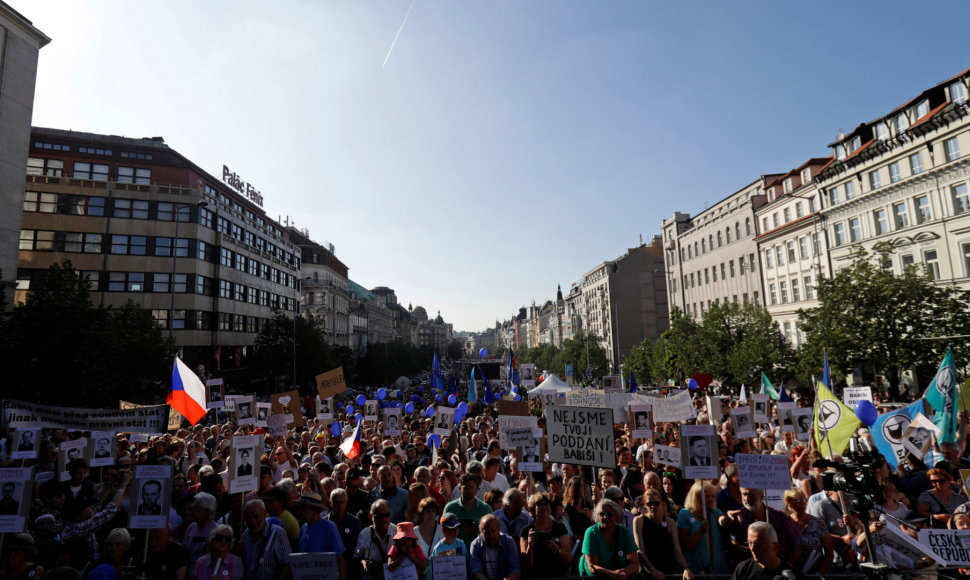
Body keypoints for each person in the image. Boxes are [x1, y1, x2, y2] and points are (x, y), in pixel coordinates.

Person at [633, 488, 692, 580]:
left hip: (669, 570)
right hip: (649, 572)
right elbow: (640, 551)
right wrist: (653, 571)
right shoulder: (639, 521)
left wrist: (686, 568)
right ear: (645, 505)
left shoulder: (670, 522)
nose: (653, 507)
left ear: (662, 504)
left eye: (656, 503)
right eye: (649, 504)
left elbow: (677, 551)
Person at [677, 480, 731, 576]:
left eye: (712, 496)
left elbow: (722, 521)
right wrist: (700, 531)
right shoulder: (684, 514)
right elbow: (685, 546)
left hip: (718, 572)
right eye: (707, 496)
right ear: (696, 496)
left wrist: (729, 517)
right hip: (696, 573)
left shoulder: (715, 512)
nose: (710, 499)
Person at [578, 499, 638, 578]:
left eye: (609, 514)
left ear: (616, 516)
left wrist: (624, 573)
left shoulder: (624, 532)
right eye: (602, 514)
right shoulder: (591, 533)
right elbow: (592, 566)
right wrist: (613, 575)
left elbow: (634, 564)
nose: (605, 517)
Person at [520, 492, 571, 580]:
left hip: (558, 576)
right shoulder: (526, 531)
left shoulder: (560, 528)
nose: (543, 507)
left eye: (546, 504)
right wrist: (530, 547)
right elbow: (527, 567)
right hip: (536, 577)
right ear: (533, 509)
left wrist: (556, 549)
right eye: (539, 504)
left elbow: (569, 559)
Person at [297, 491, 346, 578]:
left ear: (314, 509)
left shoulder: (329, 527)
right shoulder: (303, 528)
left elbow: (340, 559)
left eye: (303, 507)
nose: (300, 511)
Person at [784, 488, 833, 574]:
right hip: (791, 573)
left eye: (804, 499)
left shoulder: (818, 523)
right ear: (789, 502)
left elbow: (829, 553)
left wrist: (819, 573)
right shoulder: (785, 523)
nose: (802, 503)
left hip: (814, 574)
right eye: (797, 500)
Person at [240, 499, 290, 580]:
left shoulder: (277, 533)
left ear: (264, 514)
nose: (253, 521)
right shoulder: (244, 536)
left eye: (256, 516)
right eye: (249, 518)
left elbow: (287, 565)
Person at [731, 522, 797, 580]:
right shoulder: (743, 569)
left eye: (758, 545)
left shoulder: (791, 575)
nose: (752, 548)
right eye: (749, 543)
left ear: (776, 547)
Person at [444, 474, 493, 548]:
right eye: (466, 487)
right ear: (460, 488)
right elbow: (443, 531)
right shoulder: (450, 508)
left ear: (476, 488)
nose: (469, 490)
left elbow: (493, 533)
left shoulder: (485, 509)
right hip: (455, 553)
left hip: (479, 552)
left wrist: (476, 532)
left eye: (472, 487)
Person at [469, 514, 521, 580]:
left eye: (493, 531)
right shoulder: (476, 545)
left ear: (499, 529)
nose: (491, 536)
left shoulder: (508, 542)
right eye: (487, 533)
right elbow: (475, 571)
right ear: (481, 532)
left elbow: (515, 569)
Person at [355, 500, 397, 580]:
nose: (384, 519)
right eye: (379, 515)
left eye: (387, 515)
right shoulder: (364, 534)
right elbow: (357, 557)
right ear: (371, 516)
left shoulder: (397, 532)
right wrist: (364, 564)